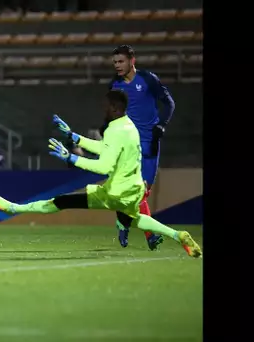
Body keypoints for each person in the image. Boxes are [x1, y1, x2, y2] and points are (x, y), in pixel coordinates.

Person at [0, 90, 200, 258]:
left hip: (115, 192)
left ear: (115, 108)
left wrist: (70, 158)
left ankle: (13, 207)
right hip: (133, 190)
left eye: (106, 107)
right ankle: (178, 235)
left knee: (59, 202)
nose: (103, 110)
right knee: (137, 219)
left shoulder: (114, 130)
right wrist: (73, 137)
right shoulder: (128, 126)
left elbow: (104, 167)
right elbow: (104, 148)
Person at [107, 44, 176, 250]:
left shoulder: (148, 80)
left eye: (121, 61)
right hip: (128, 146)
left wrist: (161, 125)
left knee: (142, 193)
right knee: (136, 192)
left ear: (132, 61)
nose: (117, 66)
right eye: (115, 63)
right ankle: (150, 235)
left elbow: (169, 103)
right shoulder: (115, 86)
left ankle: (123, 221)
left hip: (149, 143)